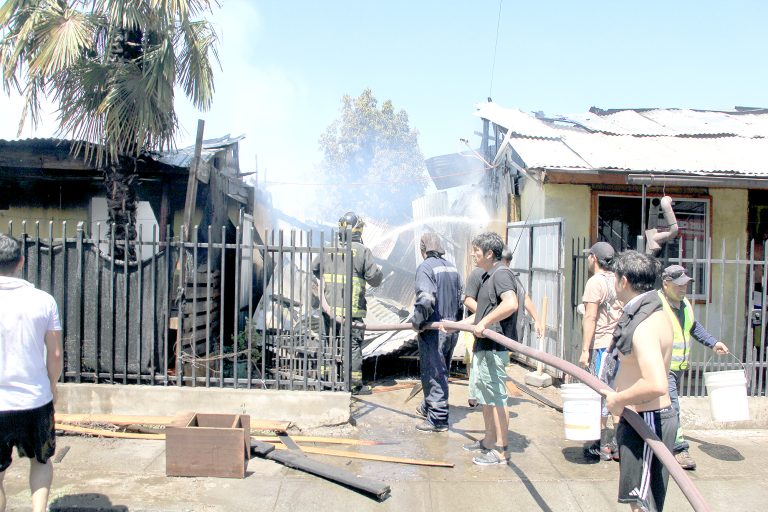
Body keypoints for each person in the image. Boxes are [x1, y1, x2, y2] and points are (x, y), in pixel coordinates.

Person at [603, 250, 677, 512]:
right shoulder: (651, 312)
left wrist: (618, 398)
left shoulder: (645, 326)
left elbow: (656, 383)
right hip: (641, 417)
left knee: (644, 503)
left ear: (624, 282)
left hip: (648, 419)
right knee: (639, 501)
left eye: (615, 278)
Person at [0, 234, 63, 512]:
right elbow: (56, 353)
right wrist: (52, 385)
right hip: (35, 399)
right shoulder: (44, 301)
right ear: (21, 262)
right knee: (41, 460)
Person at [658, 264, 729, 470]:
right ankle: (679, 448)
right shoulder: (656, 303)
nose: (683, 289)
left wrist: (713, 342)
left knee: (662, 406)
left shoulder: (685, 304)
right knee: (672, 405)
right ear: (666, 283)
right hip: (662, 366)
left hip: (678, 367)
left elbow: (693, 327)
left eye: (685, 285)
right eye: (679, 285)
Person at [460, 232, 519, 465]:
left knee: (497, 398)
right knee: (486, 396)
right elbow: (480, 316)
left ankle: (501, 451)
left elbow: (511, 303)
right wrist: (456, 326)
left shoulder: (501, 274)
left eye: (476, 250)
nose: (473, 254)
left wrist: (483, 323)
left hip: (494, 346)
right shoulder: (486, 277)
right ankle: (488, 441)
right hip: (483, 345)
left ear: (489, 253)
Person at [311, 212, 383, 395]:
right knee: (352, 347)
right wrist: (378, 272)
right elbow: (374, 279)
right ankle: (354, 385)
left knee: (327, 342)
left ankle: (324, 381)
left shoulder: (328, 248)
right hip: (353, 312)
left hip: (329, 310)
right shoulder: (362, 251)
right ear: (358, 230)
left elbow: (314, 269)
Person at [463, 246, 543, 407]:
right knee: (475, 363)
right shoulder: (478, 274)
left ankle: (487, 401)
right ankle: (474, 396)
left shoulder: (505, 275)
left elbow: (521, 298)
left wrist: (537, 319)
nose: (505, 267)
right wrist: (483, 315)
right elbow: (467, 299)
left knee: (494, 381)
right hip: (477, 327)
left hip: (496, 333)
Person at [409, 233, 463, 433]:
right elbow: (460, 301)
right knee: (442, 370)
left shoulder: (425, 267)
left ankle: (438, 419)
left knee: (433, 371)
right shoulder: (452, 267)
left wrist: (417, 322)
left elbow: (426, 299)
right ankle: (428, 406)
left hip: (434, 330)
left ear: (423, 250)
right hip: (452, 328)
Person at [579, 241, 623, 461]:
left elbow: (591, 317)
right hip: (619, 345)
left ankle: (600, 443)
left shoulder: (595, 282)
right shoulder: (617, 280)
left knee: (601, 393)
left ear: (594, 258)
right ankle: (618, 444)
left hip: (602, 345)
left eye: (589, 256)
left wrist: (585, 349)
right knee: (617, 392)